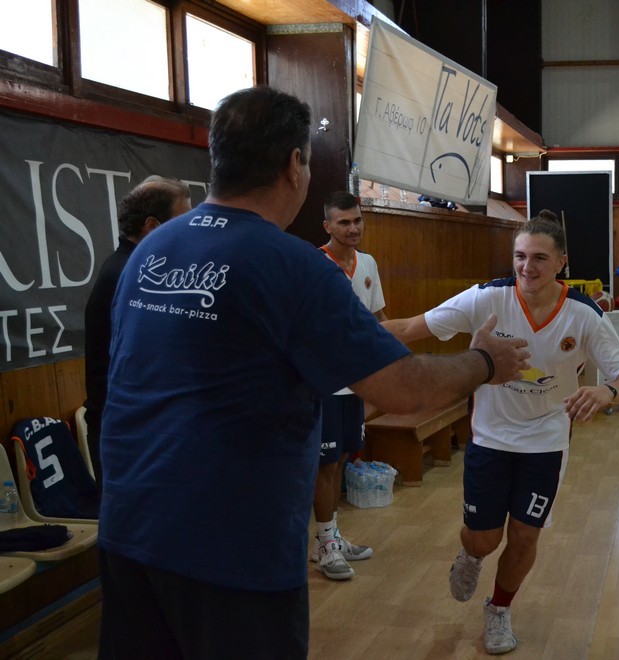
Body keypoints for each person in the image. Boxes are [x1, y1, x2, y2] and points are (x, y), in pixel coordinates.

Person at [96, 86, 529, 660]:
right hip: (229, 551)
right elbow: (403, 388)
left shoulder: (148, 253)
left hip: (127, 533)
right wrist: (485, 361)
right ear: (294, 163)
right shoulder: (293, 266)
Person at [383, 211, 619, 655]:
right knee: (483, 538)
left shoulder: (584, 314)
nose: (527, 267)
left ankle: (499, 608)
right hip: (490, 437)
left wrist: (607, 391)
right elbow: (408, 328)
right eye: (520, 256)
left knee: (524, 536)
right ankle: (471, 555)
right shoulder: (486, 299)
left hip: (546, 441)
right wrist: (336, 337)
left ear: (561, 262)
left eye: (539, 258)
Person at [83, 175, 192, 491]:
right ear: (153, 226)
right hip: (130, 436)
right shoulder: (130, 276)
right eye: (183, 222)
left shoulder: (137, 269)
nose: (191, 232)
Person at [310, 191, 383, 580]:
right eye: (344, 222)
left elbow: (378, 319)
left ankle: (332, 536)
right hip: (325, 384)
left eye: (357, 220)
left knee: (340, 460)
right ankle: (325, 545)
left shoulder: (368, 263)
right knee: (324, 463)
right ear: (328, 226)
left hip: (358, 382)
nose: (353, 228)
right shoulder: (313, 265)